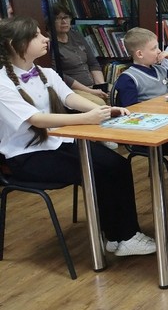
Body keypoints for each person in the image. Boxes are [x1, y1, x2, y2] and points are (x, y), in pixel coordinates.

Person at [0, 16, 155, 256]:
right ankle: (122, 235)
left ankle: (119, 235)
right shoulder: (3, 83)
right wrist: (85, 118)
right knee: (96, 171)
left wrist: (103, 110)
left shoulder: (46, 72)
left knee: (117, 164)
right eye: (36, 36)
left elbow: (69, 97)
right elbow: (36, 119)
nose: (45, 39)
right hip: (26, 156)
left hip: (58, 142)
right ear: (15, 44)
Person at [114, 27, 168, 211]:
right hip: (147, 134)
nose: (159, 51)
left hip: (167, 125)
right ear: (139, 53)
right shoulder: (128, 78)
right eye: (154, 48)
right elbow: (131, 112)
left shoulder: (160, 70)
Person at [51, 3, 109, 105]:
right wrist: (90, 91)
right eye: (58, 18)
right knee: (99, 103)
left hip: (93, 85)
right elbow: (60, 76)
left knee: (118, 92)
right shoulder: (50, 43)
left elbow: (93, 63)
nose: (64, 22)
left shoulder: (76, 35)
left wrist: (101, 85)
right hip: (71, 89)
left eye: (66, 17)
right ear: (50, 21)